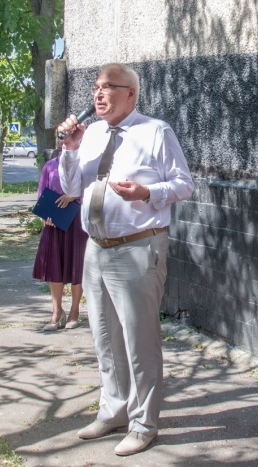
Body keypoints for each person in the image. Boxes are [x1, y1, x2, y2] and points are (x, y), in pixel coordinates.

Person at [58, 63, 194, 457]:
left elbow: (184, 184)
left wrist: (147, 192)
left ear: (130, 93)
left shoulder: (155, 131)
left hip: (137, 247)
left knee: (139, 340)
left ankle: (143, 422)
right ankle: (113, 410)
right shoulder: (92, 133)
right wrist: (70, 149)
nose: (98, 94)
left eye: (108, 88)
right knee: (104, 336)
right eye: (96, 88)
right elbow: (71, 187)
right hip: (95, 247)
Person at [33, 135, 87, 331]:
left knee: (77, 266)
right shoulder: (50, 165)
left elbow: (92, 188)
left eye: (68, 137)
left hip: (78, 221)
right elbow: (42, 192)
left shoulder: (84, 162)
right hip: (54, 223)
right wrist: (45, 215)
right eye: (60, 137)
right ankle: (56, 312)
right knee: (55, 266)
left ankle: (74, 311)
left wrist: (74, 196)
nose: (64, 140)